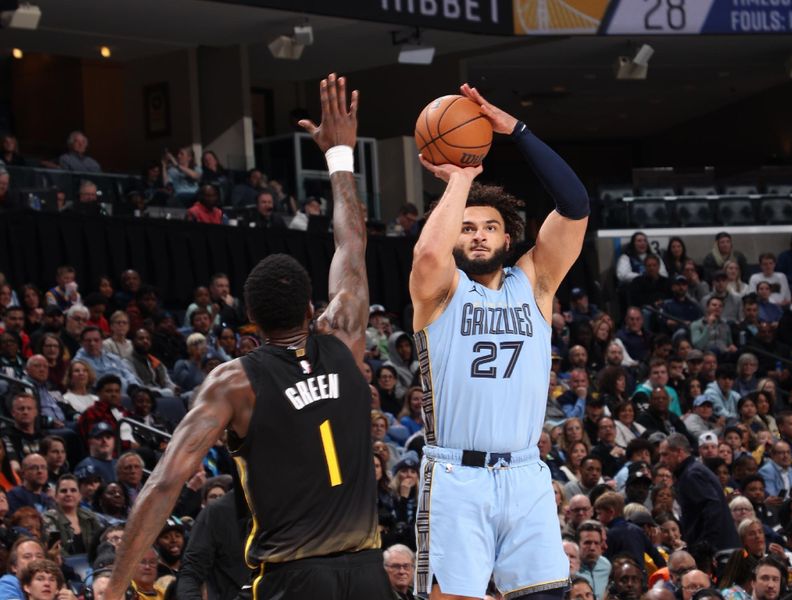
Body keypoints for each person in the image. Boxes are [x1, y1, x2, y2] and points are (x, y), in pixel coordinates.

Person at [106, 74, 393, 600]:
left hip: (293, 579)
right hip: (368, 574)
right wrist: (340, 157)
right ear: (312, 308)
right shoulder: (347, 334)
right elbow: (351, 242)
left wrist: (112, 588)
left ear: (252, 324)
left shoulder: (235, 383)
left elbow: (166, 482)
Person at [409, 84, 588, 599]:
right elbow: (426, 256)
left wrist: (519, 133)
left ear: (509, 239)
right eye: (466, 228)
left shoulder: (535, 282)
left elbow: (575, 205)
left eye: (490, 227)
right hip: (455, 476)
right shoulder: (439, 293)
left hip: (526, 473)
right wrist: (461, 179)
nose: (480, 234)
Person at [660, 433, 739, 552]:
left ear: (679, 453)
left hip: (718, 552)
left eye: (665, 454)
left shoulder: (692, 474)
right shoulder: (693, 471)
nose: (661, 460)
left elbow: (712, 507)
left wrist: (705, 546)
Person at [576, 521, 611, 598]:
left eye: (596, 543)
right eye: (587, 543)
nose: (592, 548)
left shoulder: (606, 565)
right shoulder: (571, 568)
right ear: (578, 544)